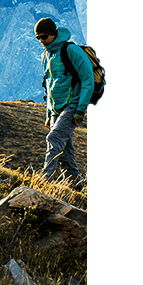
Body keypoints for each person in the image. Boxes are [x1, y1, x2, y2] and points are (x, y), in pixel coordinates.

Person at [35, 16, 92, 192]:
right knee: (66, 155)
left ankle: (44, 182)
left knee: (54, 138)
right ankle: (77, 190)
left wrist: (80, 109)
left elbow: (88, 78)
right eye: (38, 38)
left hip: (72, 105)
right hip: (55, 110)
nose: (41, 41)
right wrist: (48, 114)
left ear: (52, 34)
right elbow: (49, 87)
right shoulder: (46, 55)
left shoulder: (71, 50)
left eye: (43, 37)